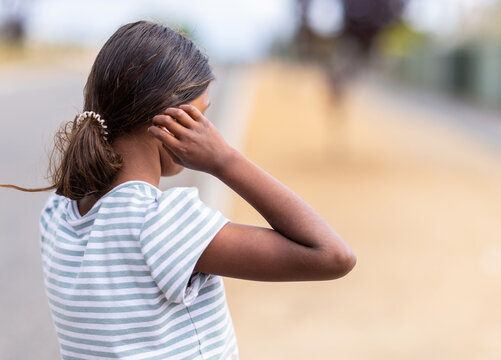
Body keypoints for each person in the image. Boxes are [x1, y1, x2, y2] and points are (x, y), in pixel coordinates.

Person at [2, 21, 356, 359]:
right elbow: (332, 255)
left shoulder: (59, 213)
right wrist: (225, 160)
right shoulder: (161, 223)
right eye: (202, 116)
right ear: (171, 119)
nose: (210, 129)